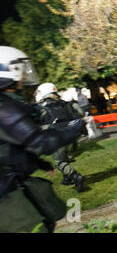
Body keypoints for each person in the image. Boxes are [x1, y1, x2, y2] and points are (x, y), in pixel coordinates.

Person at [0, 46, 85, 232]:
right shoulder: (5, 107)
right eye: (21, 69)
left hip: (9, 183)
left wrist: (37, 163)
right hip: (5, 195)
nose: (24, 74)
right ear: (10, 70)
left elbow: (11, 145)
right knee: (36, 227)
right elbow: (40, 142)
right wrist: (74, 129)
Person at [35, 83, 86, 192]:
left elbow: (38, 124)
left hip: (57, 137)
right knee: (64, 157)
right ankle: (67, 178)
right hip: (72, 136)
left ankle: (76, 177)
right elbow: (79, 114)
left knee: (59, 162)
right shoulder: (65, 104)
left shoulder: (42, 109)